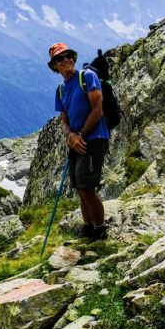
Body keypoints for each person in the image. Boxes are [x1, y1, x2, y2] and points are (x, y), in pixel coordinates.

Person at [49, 42, 111, 240]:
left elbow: (97, 109)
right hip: (77, 140)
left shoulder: (87, 77)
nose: (66, 59)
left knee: (86, 187)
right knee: (79, 187)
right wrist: (69, 135)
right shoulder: (61, 89)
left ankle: (100, 228)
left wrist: (80, 136)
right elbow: (64, 119)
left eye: (69, 56)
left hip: (93, 139)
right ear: (54, 66)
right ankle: (88, 226)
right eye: (60, 58)